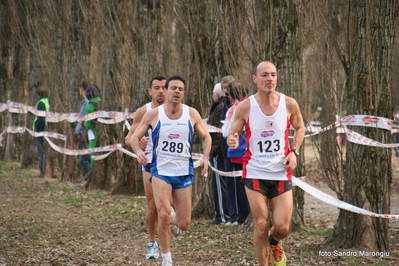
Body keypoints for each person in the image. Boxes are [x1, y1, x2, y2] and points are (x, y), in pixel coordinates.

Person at [227, 61, 305, 266]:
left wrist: (294, 152)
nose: (269, 79)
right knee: (261, 223)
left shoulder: (289, 104)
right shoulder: (245, 106)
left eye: (273, 75)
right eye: (264, 75)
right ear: (255, 79)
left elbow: (301, 128)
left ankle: (275, 242)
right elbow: (232, 135)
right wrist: (232, 140)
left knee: (283, 227)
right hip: (254, 171)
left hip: (281, 172)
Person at [130, 75, 211, 266]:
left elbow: (206, 137)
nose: (177, 92)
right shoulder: (153, 114)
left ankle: (175, 219)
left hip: (183, 172)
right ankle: (166, 259)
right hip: (160, 172)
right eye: (173, 88)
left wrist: (205, 157)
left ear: (183, 93)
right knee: (163, 215)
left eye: (180, 89)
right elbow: (134, 137)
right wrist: (139, 152)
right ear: (166, 91)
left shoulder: (192, 114)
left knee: (183, 224)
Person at [125, 75, 167, 259]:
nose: (161, 91)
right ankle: (152, 243)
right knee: (152, 207)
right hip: (150, 163)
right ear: (150, 91)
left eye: (164, 87)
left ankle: (169, 227)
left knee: (168, 206)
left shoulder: (178, 111)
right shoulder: (143, 111)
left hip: (172, 164)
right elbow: (129, 137)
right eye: (156, 88)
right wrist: (138, 143)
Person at [222, 81, 250, 225]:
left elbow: (226, 132)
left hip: (236, 152)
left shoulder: (235, 108)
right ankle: (242, 217)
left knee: (234, 186)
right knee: (246, 186)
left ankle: (236, 217)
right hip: (249, 152)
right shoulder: (253, 104)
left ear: (231, 95)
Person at [206, 82, 230, 225]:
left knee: (219, 184)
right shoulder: (220, 106)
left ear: (217, 94)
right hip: (217, 150)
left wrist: (213, 151)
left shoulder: (220, 106)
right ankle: (222, 214)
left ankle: (222, 215)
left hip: (218, 151)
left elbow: (218, 131)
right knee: (219, 184)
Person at [77, 85, 101, 187]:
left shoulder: (89, 106)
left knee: (92, 157)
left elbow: (88, 125)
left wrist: (83, 123)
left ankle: (91, 179)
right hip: (103, 135)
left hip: (92, 135)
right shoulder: (101, 102)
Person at [75, 81, 91, 186]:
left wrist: (79, 128)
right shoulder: (85, 102)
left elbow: (83, 119)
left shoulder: (87, 103)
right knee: (86, 159)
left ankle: (87, 179)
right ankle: (88, 179)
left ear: (82, 89)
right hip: (83, 134)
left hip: (85, 134)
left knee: (83, 159)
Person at [33, 87, 50, 177]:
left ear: (38, 94)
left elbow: (40, 118)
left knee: (40, 151)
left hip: (41, 130)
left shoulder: (40, 103)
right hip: (45, 128)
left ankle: (41, 171)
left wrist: (38, 129)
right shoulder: (46, 102)